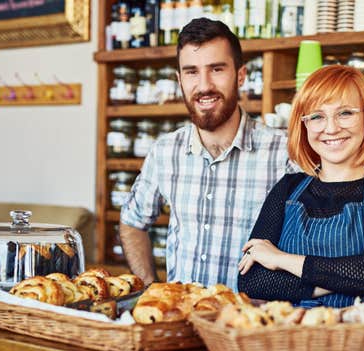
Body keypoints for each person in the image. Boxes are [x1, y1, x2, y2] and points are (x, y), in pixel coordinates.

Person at [119, 18, 294, 287]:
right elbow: (132, 222)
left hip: (246, 322)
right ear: (179, 80)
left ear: (241, 75)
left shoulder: (283, 153)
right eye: (191, 72)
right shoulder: (165, 152)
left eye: (216, 69)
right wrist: (150, 290)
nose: (204, 85)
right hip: (179, 319)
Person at [237, 65, 364, 313]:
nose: (331, 128)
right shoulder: (287, 188)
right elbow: (253, 281)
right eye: (317, 116)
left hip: (362, 344)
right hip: (289, 342)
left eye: (345, 113)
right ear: (305, 125)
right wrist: (348, 278)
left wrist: (280, 260)